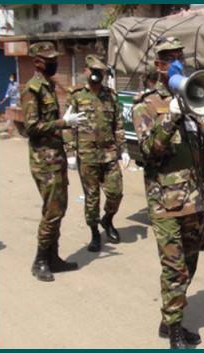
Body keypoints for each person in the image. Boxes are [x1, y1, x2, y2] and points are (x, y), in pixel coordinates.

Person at [131, 36, 204, 349]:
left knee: (189, 267)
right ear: (159, 65)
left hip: (195, 203)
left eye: (180, 57)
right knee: (174, 269)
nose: (178, 62)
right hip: (166, 205)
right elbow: (149, 151)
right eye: (170, 58)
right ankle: (175, 335)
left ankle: (168, 320)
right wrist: (170, 116)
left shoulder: (194, 103)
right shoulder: (146, 105)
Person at [22, 42, 86, 282]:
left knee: (58, 209)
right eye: (49, 60)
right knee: (52, 211)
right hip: (44, 162)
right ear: (37, 62)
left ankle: (53, 257)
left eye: (54, 58)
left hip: (55, 158)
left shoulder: (48, 86)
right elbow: (31, 128)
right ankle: (40, 261)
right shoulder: (33, 89)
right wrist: (63, 123)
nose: (54, 63)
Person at [63, 54, 130, 252]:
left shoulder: (111, 95)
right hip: (86, 155)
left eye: (100, 72)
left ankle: (107, 220)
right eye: (93, 71)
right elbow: (67, 125)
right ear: (86, 70)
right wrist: (70, 153)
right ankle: (94, 233)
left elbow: (118, 124)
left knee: (115, 192)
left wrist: (123, 149)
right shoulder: (75, 95)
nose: (96, 75)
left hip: (109, 154)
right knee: (91, 198)